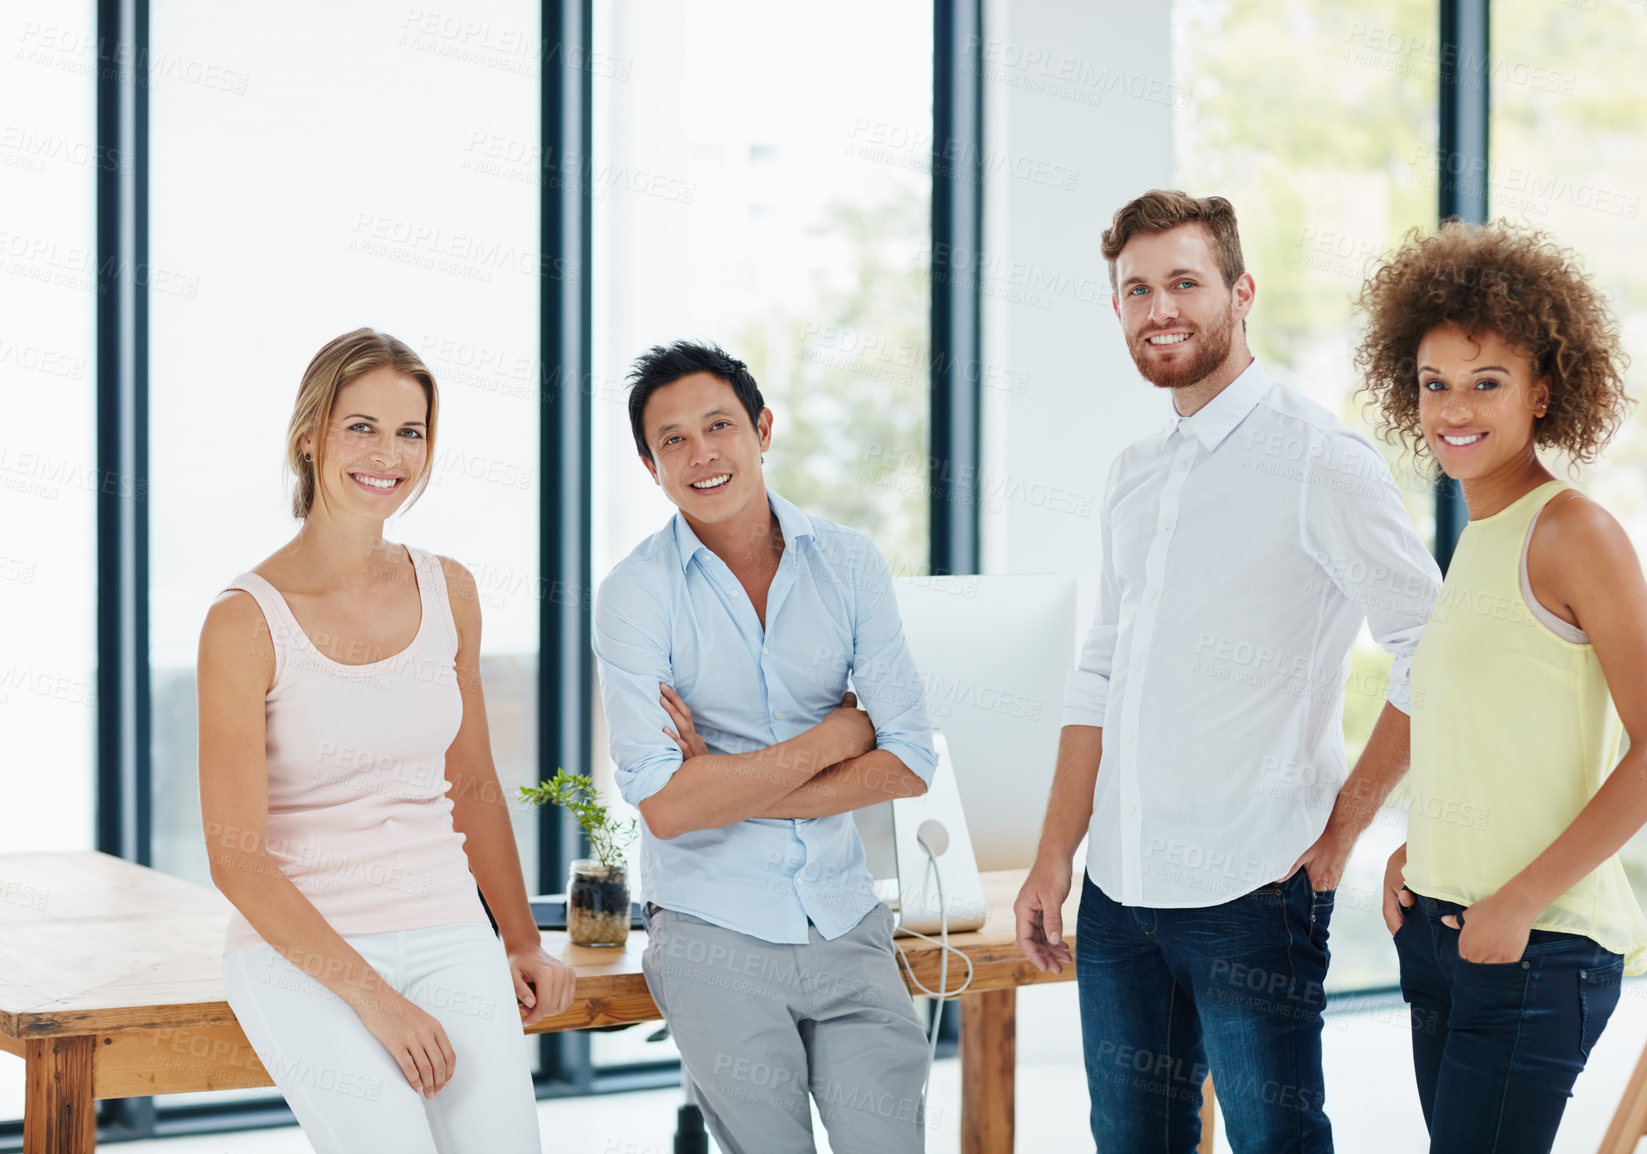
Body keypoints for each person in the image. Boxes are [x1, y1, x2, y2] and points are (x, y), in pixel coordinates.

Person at [1012, 189, 1442, 1154]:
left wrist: (1345, 828)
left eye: (1183, 283)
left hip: (1254, 889)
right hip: (1121, 896)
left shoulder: (1319, 460)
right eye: (1136, 290)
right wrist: (1055, 856)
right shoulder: (1135, 472)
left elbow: (1431, 645)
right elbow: (1100, 674)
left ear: (1240, 291)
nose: (1160, 308)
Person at [1356, 221, 1647, 1152]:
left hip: (1538, 945)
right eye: (1435, 384)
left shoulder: (1574, 530)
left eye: (1487, 383)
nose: (1454, 408)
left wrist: (1515, 903)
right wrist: (1415, 856)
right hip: (1442, 931)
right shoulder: (1476, 539)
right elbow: (1483, 734)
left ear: (1544, 393)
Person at [198, 328, 574, 1153]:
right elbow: (236, 859)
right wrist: (378, 1000)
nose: (388, 453)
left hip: (448, 928)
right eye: (360, 426)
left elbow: (472, 781)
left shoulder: (451, 590)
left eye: (410, 432)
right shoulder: (243, 621)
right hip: (299, 953)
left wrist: (519, 937)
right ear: (311, 436)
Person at [592, 340, 935, 1153]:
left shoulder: (848, 563)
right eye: (672, 439)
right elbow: (669, 809)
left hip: (847, 921)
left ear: (762, 429)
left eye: (720, 425)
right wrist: (837, 736)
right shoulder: (635, 595)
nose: (701, 453)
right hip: (713, 932)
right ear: (650, 465)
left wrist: (722, 779)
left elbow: (912, 761)